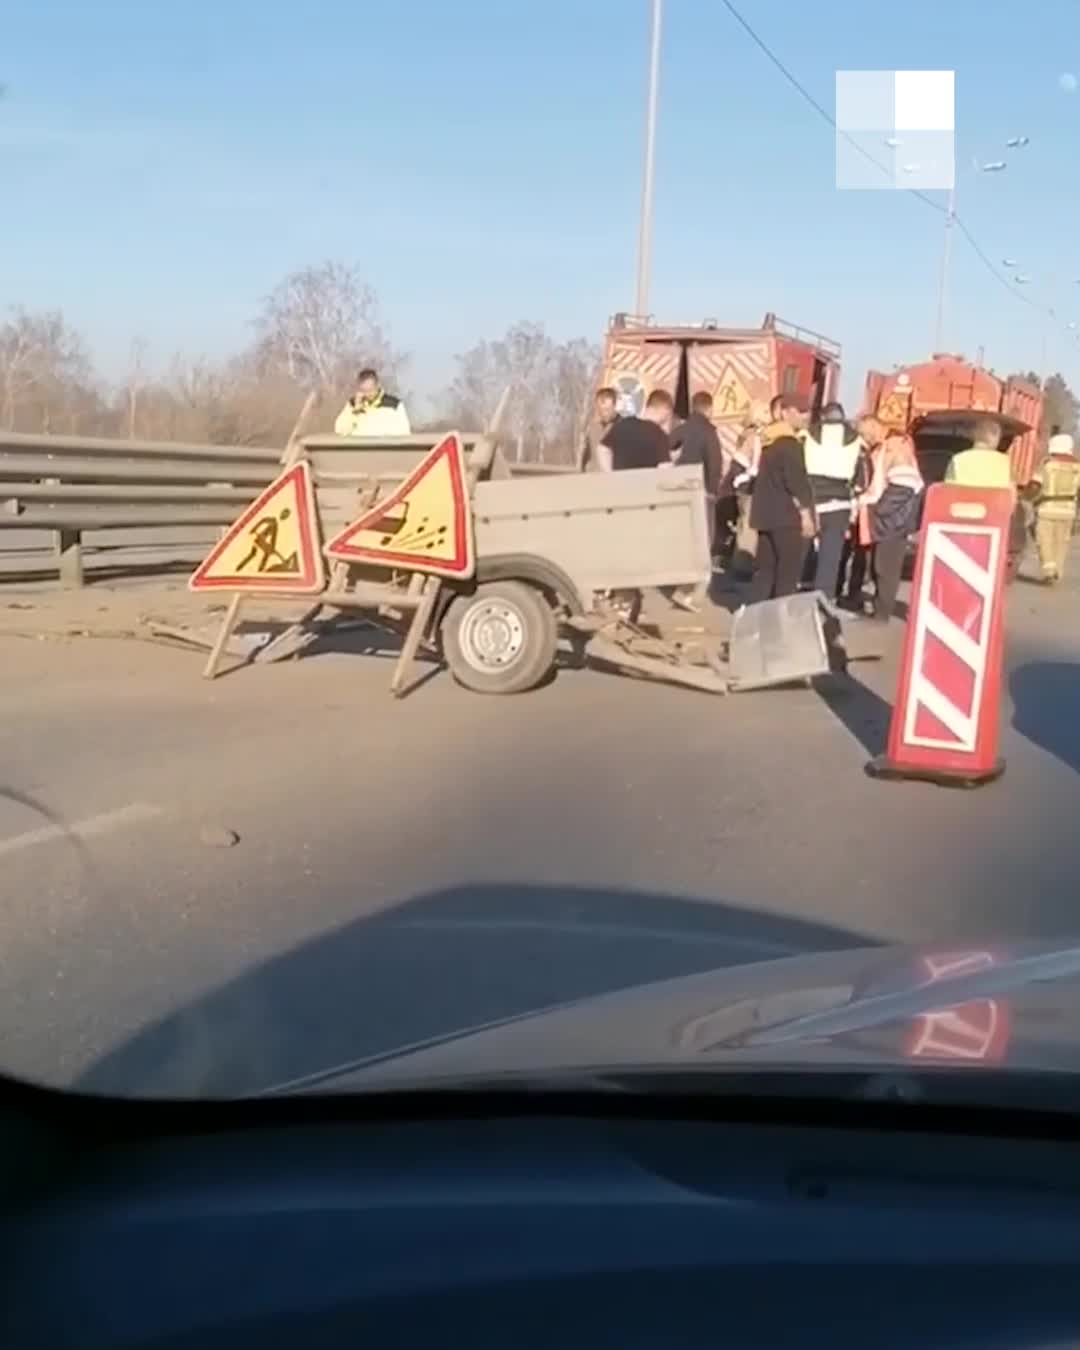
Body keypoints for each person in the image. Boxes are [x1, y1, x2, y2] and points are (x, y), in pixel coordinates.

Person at [748, 391, 816, 603]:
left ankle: (756, 621)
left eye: (807, 411)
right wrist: (805, 514)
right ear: (785, 413)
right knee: (787, 575)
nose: (805, 416)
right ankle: (779, 624)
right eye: (800, 411)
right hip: (786, 518)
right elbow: (795, 481)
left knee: (765, 573)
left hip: (765, 515)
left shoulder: (768, 440)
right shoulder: (790, 444)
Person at [861, 430, 924, 624]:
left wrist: (879, 509)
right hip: (892, 522)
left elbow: (903, 486)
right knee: (881, 566)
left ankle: (882, 613)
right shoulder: (900, 454)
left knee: (886, 568)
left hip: (893, 523)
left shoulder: (900, 457)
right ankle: (880, 608)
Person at [802, 401, 861, 600]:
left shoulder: (808, 434)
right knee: (831, 555)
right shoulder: (855, 439)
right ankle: (823, 598)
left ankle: (796, 588)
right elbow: (859, 474)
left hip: (812, 497)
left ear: (824, 416)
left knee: (802, 547)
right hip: (840, 502)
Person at [1030, 427, 1080, 584]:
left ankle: (1049, 571)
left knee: (1044, 540)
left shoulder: (1047, 464)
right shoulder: (1077, 467)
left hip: (1047, 509)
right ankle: (1058, 570)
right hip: (1068, 511)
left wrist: (1027, 499)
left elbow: (1035, 485)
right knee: (1061, 542)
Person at [597, 388, 674, 471]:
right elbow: (665, 468)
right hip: (645, 482)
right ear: (666, 410)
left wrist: (610, 474)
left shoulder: (623, 424)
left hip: (619, 482)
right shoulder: (660, 435)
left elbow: (602, 449)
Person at [334, 369, 411, 437]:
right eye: (364, 390)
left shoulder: (394, 405)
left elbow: (404, 433)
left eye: (370, 390)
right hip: (358, 450)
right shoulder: (352, 405)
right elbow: (340, 431)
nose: (367, 394)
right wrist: (356, 410)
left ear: (377, 386)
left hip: (384, 449)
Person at [579, 387, 621, 472]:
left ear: (614, 406)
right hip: (593, 477)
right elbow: (587, 453)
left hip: (613, 478)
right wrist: (583, 469)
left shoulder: (622, 427)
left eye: (606, 410)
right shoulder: (593, 427)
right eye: (600, 410)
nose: (603, 413)